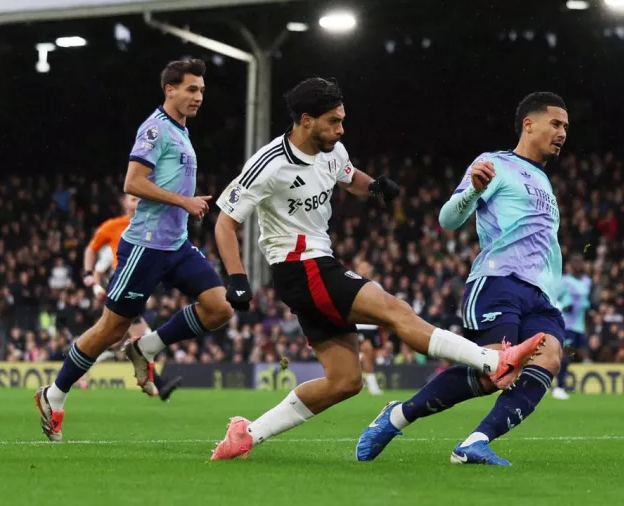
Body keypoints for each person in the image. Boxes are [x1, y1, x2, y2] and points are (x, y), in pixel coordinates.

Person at [208, 78, 546, 461]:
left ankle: (247, 434)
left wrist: (375, 187)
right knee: (396, 311)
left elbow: (349, 176)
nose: (341, 129)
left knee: (345, 381)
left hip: (318, 265)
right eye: (333, 121)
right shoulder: (269, 164)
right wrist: (236, 278)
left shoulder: (331, 150)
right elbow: (225, 222)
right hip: (300, 267)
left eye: (342, 121)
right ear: (305, 120)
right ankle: (493, 360)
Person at [356, 92, 569, 466]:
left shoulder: (545, 183)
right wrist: (473, 189)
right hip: (498, 282)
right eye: (556, 123)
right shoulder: (494, 164)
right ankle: (398, 415)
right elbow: (448, 220)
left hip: (542, 296)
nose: (563, 132)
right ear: (529, 124)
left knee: (548, 358)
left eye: (566, 126)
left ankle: (475, 442)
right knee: (494, 372)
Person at [35, 59, 233, 441]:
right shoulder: (156, 129)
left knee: (220, 306)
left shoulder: (181, 130)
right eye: (191, 89)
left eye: (202, 90)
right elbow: (132, 183)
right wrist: (184, 201)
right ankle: (53, 395)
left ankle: (146, 348)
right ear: (169, 89)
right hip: (145, 246)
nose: (199, 96)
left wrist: (183, 204)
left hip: (176, 245)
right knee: (111, 329)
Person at [80, 194, 182, 401]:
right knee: (140, 336)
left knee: (112, 339)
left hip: (140, 287)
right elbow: (91, 250)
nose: (137, 202)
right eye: (132, 199)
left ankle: (77, 369)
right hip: (123, 285)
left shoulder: (151, 224)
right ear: (124, 203)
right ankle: (159, 385)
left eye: (139, 199)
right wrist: (89, 275)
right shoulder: (113, 226)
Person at [553, 253, 591, 400]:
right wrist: (563, 305)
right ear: (570, 265)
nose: (579, 264)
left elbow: (586, 303)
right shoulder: (565, 281)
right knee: (566, 354)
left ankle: (576, 384)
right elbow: (555, 298)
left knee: (585, 354)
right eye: (575, 261)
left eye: (580, 261)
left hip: (580, 326)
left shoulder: (587, 281)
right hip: (567, 325)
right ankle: (559, 387)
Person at [355, 261, 383, 395]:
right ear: (357, 269)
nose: (364, 271)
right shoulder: (352, 285)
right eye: (362, 268)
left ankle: (359, 359)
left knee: (372, 356)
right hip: (360, 326)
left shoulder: (376, 286)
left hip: (374, 327)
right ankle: (373, 387)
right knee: (368, 350)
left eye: (366, 268)